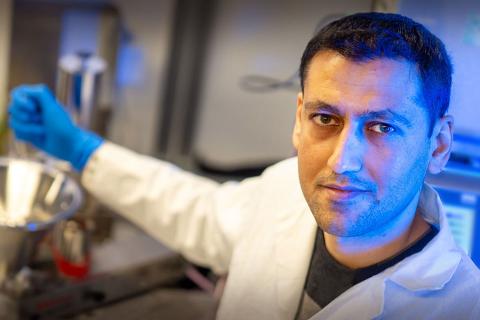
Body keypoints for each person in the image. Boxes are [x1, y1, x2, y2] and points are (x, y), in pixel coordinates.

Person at [8, 12, 480, 320]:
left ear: (438, 145)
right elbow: (192, 209)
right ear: (299, 120)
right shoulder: (280, 194)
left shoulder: (461, 306)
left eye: (382, 127)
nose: (343, 161)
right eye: (325, 118)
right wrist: (76, 146)